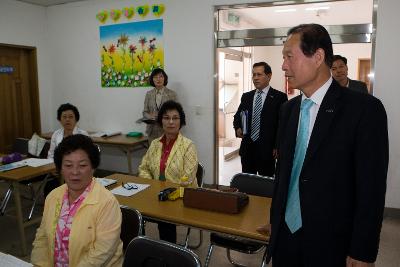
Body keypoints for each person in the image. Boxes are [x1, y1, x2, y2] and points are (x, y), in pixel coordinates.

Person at [264, 23, 388, 267]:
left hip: (331, 243)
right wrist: (275, 219)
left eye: (289, 56)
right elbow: (285, 174)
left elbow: (371, 189)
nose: (283, 66)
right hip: (285, 238)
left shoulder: (364, 110)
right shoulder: (288, 110)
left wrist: (363, 250)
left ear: (318, 56)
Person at [31, 134, 123, 267]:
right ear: (60, 169)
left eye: (82, 165)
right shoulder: (53, 197)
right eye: (68, 165)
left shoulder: (107, 202)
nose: (75, 172)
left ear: (93, 167)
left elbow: (102, 252)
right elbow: (42, 238)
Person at [138, 100, 198, 243]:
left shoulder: (188, 146)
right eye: (166, 118)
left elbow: (187, 178)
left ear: (181, 122)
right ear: (161, 121)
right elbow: (143, 168)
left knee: (165, 219)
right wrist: (152, 186)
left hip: (179, 196)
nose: (171, 122)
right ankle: (140, 246)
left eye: (175, 118)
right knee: (134, 212)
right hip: (155, 193)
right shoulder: (154, 143)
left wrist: (165, 191)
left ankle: (168, 254)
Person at [233, 62, 287, 177]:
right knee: (247, 183)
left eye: (259, 74)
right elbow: (238, 116)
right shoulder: (246, 96)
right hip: (248, 148)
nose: (255, 78)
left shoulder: (279, 97)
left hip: (267, 150)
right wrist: (237, 127)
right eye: (253, 75)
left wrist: (277, 146)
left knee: (266, 185)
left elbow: (282, 125)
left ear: (269, 76)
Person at [143, 68, 177, 143]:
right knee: (153, 154)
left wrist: (163, 116)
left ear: (165, 78)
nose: (158, 79)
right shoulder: (149, 94)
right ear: (152, 79)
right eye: (155, 77)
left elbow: (176, 114)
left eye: (161, 76)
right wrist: (150, 116)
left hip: (167, 130)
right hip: (152, 131)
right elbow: (145, 112)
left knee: (167, 154)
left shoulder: (172, 94)